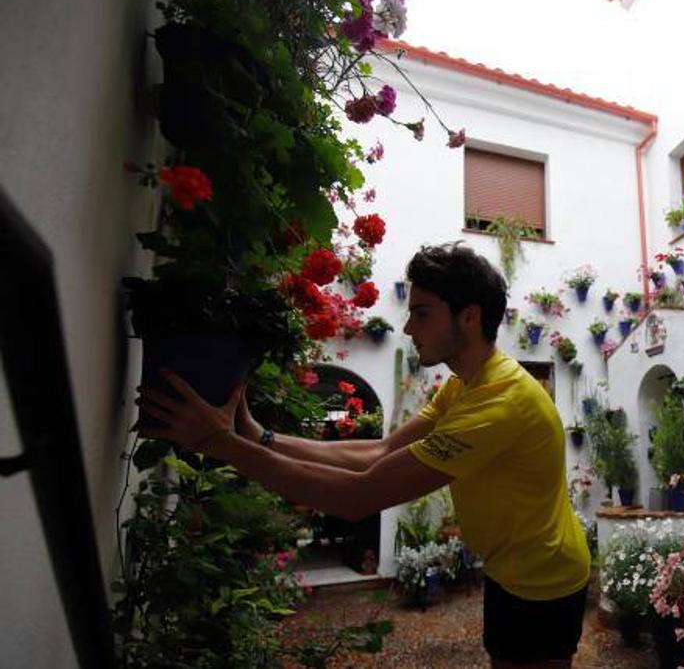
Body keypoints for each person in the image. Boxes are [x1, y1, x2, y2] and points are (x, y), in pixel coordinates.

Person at [137, 243, 591, 668]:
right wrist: (259, 437)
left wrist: (222, 445)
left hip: (544, 580)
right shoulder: (466, 385)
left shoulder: (499, 402)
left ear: (469, 317)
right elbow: (380, 451)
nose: (409, 327)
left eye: (421, 313)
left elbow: (358, 495)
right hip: (511, 567)